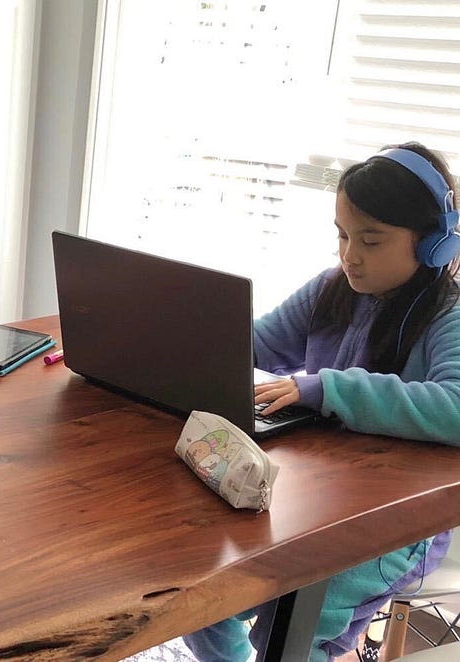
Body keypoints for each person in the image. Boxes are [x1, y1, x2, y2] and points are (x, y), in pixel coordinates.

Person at [183, 141, 460, 661]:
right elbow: (247, 346)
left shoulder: (449, 317)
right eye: (342, 235)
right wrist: (171, 341)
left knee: (291, 633)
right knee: (197, 586)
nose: (349, 254)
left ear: (433, 246)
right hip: (313, 496)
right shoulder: (331, 290)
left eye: (371, 241)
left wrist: (330, 387)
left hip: (393, 526)